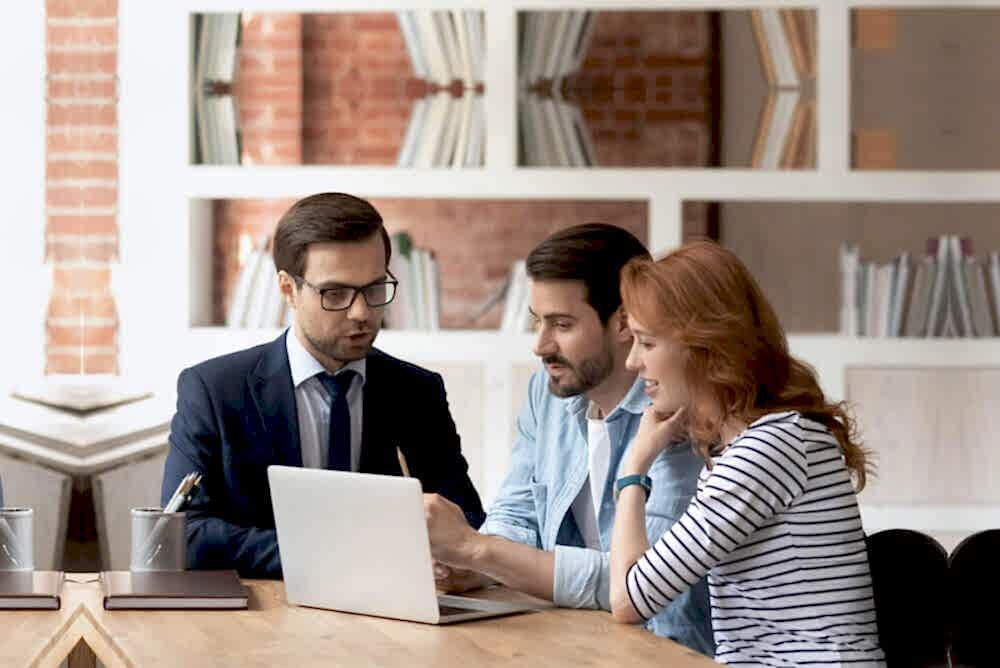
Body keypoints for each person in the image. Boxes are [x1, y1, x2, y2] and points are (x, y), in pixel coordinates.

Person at [423, 224, 714, 655]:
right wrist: (470, 566)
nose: (540, 345)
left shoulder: (676, 407)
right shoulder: (549, 393)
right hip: (574, 638)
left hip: (671, 650)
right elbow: (517, 513)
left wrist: (481, 551)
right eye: (537, 321)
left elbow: (649, 584)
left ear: (622, 323)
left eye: (562, 324)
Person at [161, 192, 485, 577]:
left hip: (390, 617)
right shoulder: (213, 390)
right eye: (336, 293)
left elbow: (466, 520)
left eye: (375, 288)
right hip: (260, 619)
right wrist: (339, 557)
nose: (362, 312)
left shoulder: (417, 391)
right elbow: (184, 534)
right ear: (287, 289)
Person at [609, 241, 885, 666]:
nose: (632, 363)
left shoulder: (767, 450)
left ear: (703, 347)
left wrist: (634, 469)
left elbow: (629, 600)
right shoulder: (766, 442)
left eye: (646, 344)